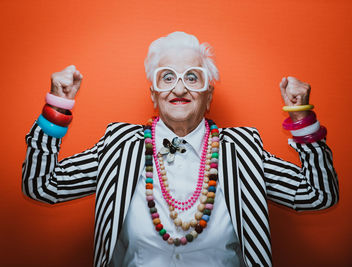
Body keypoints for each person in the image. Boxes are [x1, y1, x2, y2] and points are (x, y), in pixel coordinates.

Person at [22, 32, 339, 267]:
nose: (179, 87)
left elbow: (318, 193)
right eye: (167, 77)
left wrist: (302, 117)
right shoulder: (119, 145)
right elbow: (42, 186)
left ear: (208, 95)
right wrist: (57, 107)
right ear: (154, 93)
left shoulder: (242, 149)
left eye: (192, 77)